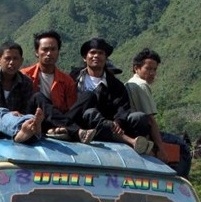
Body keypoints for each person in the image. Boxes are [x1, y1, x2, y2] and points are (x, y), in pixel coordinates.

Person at [68, 37, 154, 153]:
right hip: (82, 123)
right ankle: (131, 142)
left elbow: (122, 108)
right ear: (85, 57)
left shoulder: (115, 85)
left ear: (105, 58)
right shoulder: (72, 78)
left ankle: (144, 150)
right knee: (91, 112)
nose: (96, 56)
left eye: (100, 53)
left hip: (111, 125)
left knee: (139, 117)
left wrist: (118, 122)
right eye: (92, 52)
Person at [124, 48, 192, 176]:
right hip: (143, 130)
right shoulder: (141, 85)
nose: (152, 73)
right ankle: (180, 181)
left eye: (154, 70)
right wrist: (160, 148)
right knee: (183, 147)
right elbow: (151, 120)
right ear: (136, 68)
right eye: (148, 69)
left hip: (132, 128)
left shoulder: (128, 84)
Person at [20, 30, 77, 140]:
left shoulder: (67, 81)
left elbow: (71, 109)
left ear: (58, 52)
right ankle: (74, 130)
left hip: (58, 120)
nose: (49, 53)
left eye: (53, 49)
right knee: (38, 97)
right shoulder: (24, 75)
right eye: (45, 49)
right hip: (31, 119)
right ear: (37, 52)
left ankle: (58, 129)